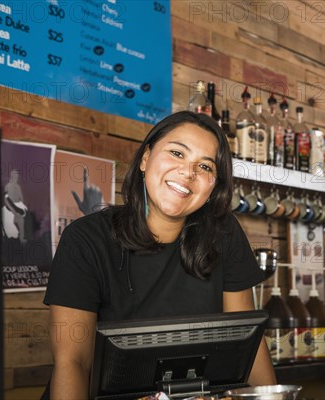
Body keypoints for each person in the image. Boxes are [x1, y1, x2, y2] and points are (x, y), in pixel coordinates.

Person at [42, 111, 276, 400]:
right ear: (145, 159)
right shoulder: (86, 240)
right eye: (177, 153)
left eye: (204, 166)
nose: (188, 173)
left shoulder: (223, 233)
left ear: (213, 185)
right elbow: (73, 361)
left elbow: (248, 345)